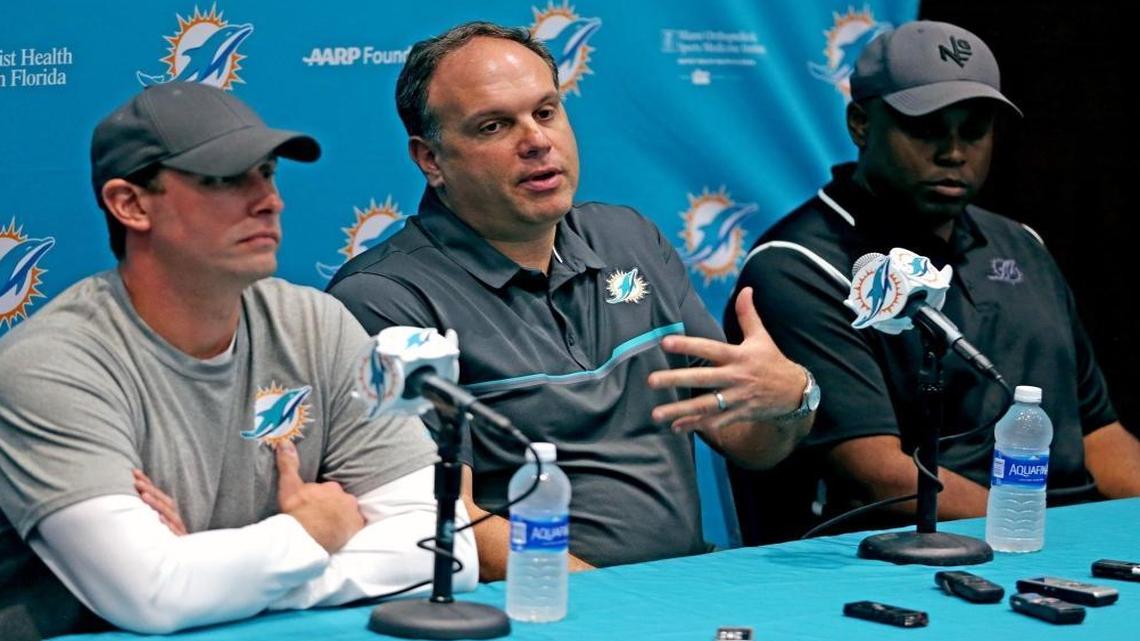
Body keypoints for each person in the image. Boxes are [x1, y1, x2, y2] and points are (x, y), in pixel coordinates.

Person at [326, 21, 815, 579]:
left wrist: (790, 398)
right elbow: (444, 515)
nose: (536, 141)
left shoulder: (631, 239)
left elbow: (750, 442)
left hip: (684, 585)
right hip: (538, 607)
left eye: (546, 111)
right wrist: (608, 601)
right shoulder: (386, 300)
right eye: (494, 126)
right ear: (430, 159)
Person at [0, 82, 477, 638]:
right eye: (225, 179)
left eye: (268, 173)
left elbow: (445, 550)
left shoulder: (314, 324)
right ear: (129, 204)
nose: (268, 199)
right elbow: (151, 597)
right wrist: (312, 530)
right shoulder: (52, 365)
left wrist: (224, 571)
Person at [726, 20, 1140, 544]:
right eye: (926, 128)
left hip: (1059, 541)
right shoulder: (798, 264)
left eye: (974, 129)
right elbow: (878, 474)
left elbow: (1100, 435)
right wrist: (1041, 537)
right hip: (910, 553)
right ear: (860, 123)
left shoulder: (1023, 246)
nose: (953, 152)